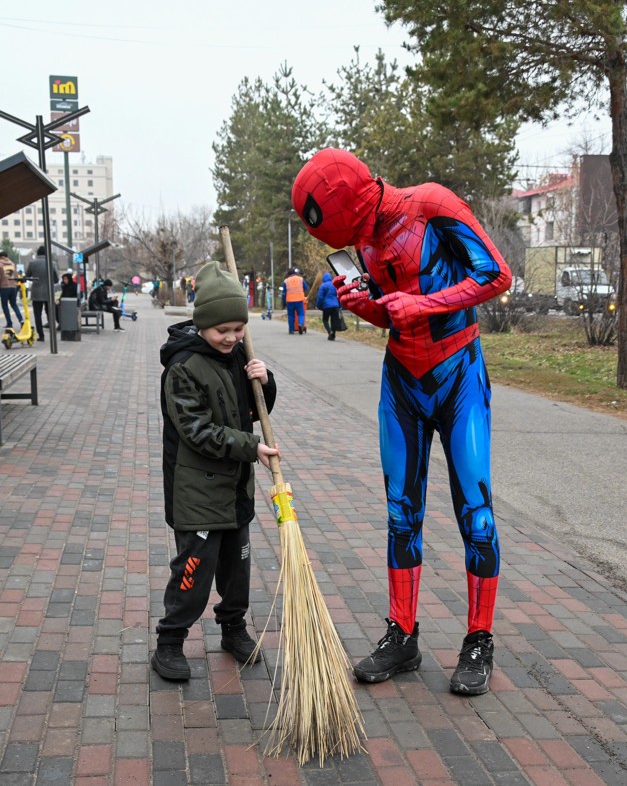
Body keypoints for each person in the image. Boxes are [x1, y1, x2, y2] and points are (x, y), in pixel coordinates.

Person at [292, 148, 512, 695]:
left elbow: (497, 274)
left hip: (459, 373)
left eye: (358, 227)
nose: (360, 241)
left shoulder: (432, 204)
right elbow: (390, 312)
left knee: (477, 515)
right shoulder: (364, 240)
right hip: (402, 381)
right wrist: (359, 304)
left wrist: (427, 305)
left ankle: (479, 639)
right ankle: (403, 635)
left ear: (364, 198)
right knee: (400, 512)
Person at [152, 260, 279, 680]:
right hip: (197, 492)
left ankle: (234, 628)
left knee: (236, 567)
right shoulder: (183, 367)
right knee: (194, 570)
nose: (232, 337)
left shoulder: (240, 355)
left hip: (235, 489)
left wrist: (265, 380)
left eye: (238, 329)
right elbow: (198, 432)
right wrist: (250, 447)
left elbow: (253, 412)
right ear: (203, 324)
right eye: (222, 330)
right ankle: (170, 641)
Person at [26, 246, 59, 342]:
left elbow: (27, 276)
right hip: (48, 292)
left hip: (36, 293)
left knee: (37, 315)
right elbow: (56, 280)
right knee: (50, 313)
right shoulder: (52, 263)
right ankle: (53, 333)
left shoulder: (32, 263)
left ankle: (41, 335)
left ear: (38, 253)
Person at [281, 267, 309, 334]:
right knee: (301, 313)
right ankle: (300, 324)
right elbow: (306, 288)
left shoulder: (286, 281)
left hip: (290, 301)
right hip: (299, 299)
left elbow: (284, 292)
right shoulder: (300, 279)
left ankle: (291, 329)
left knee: (291, 315)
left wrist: (283, 301)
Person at [316, 271, 342, 341]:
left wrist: (318, 306)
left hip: (327, 306)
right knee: (333, 321)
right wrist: (340, 305)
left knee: (325, 320)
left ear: (324, 279)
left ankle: (330, 331)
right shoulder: (335, 285)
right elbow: (339, 296)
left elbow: (320, 297)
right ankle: (333, 335)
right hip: (335, 306)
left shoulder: (323, 286)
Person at [0, 251, 23, 331]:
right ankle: (21, 320)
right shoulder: (12, 264)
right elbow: (16, 276)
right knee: (14, 304)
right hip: (13, 287)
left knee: (5, 305)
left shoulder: (0, 264)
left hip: (4, 287)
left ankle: (9, 323)